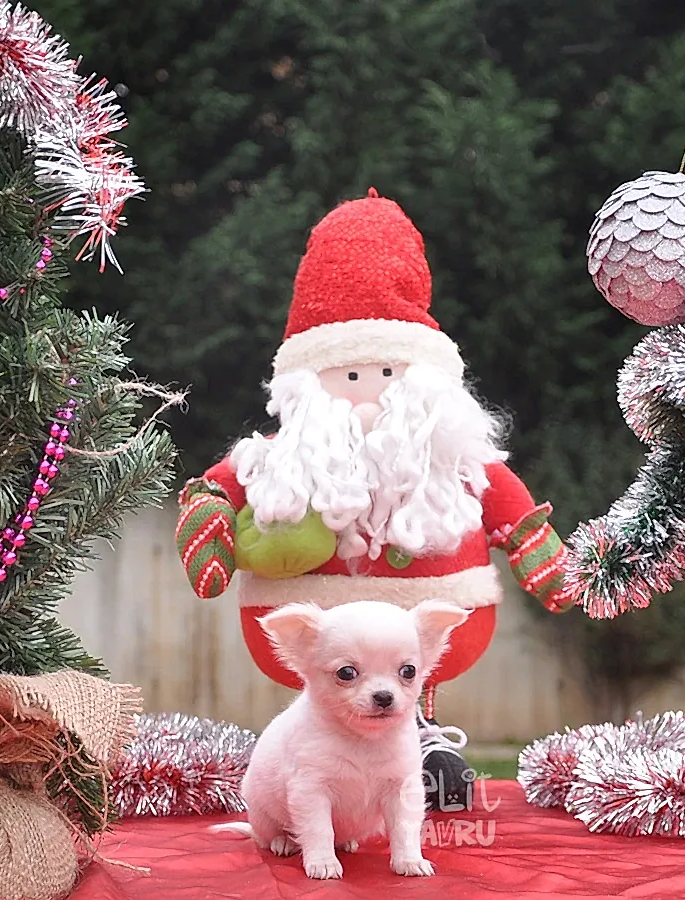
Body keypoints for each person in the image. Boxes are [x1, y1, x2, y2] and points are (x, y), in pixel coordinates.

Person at [176, 189, 573, 810]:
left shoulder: (453, 453)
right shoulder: (279, 455)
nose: (367, 396)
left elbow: (510, 506)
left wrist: (537, 550)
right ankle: (304, 750)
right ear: (307, 383)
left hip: (436, 609)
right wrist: (206, 527)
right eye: (350, 376)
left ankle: (423, 741)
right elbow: (215, 490)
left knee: (401, 673)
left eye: (387, 376)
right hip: (307, 611)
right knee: (334, 688)